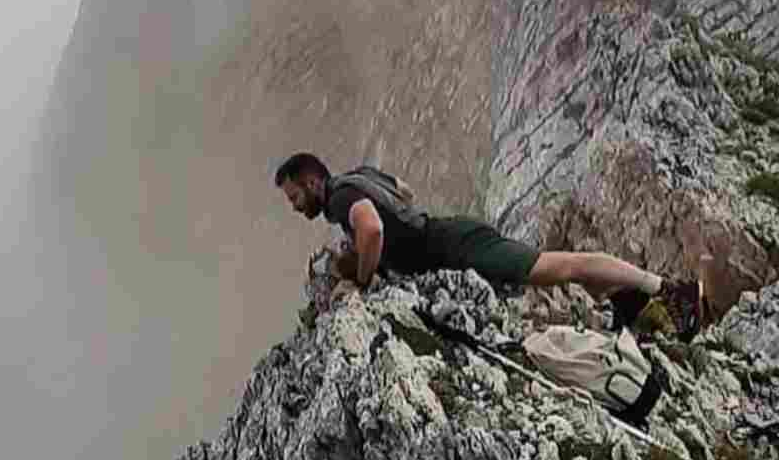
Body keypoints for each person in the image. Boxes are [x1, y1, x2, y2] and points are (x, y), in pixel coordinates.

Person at [274, 152, 705, 341]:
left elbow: (370, 230)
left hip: (457, 247)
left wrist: (365, 278)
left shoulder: (339, 199)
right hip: (448, 236)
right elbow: (403, 191)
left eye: (295, 197)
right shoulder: (358, 176)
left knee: (560, 267)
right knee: (559, 271)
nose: (295, 207)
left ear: (313, 181)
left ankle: (667, 289)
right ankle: (633, 300)